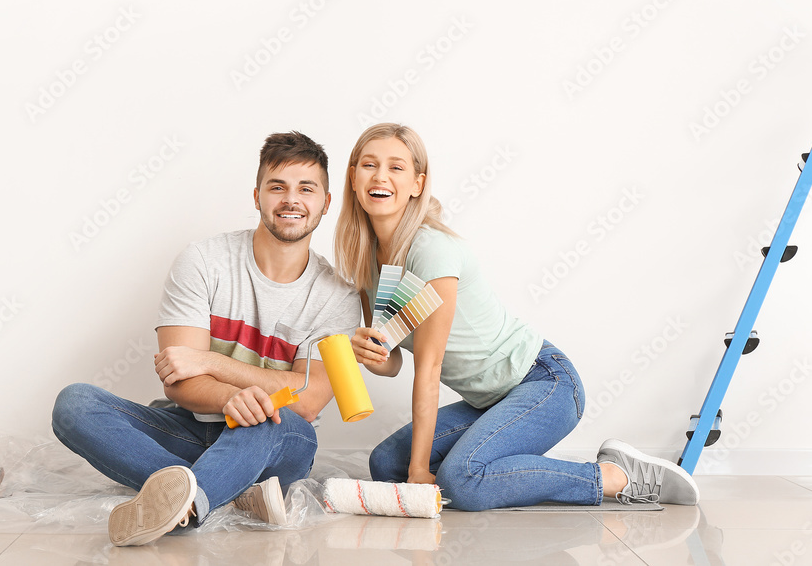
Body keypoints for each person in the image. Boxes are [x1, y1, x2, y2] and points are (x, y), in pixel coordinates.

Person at [334, 123, 699, 510]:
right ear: (354, 178)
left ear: (417, 184)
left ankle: (613, 476)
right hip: (489, 401)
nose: (380, 176)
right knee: (386, 463)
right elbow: (391, 362)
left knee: (461, 482)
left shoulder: (431, 251)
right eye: (369, 165)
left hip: (546, 382)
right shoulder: (367, 263)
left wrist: (421, 470)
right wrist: (370, 353)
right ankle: (497, 467)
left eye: (396, 167)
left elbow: (430, 367)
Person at [53, 131, 360, 546]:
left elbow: (306, 398)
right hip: (193, 427)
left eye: (306, 189)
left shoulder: (337, 295)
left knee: (272, 416)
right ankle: (224, 494)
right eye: (277, 187)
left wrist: (212, 363)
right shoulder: (203, 261)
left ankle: (188, 498)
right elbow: (179, 379)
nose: (291, 200)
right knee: (75, 404)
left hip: (275, 439)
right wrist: (225, 398)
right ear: (257, 196)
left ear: (325, 202)